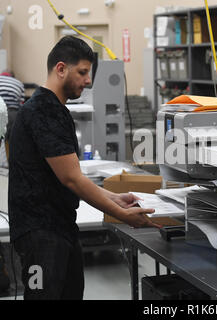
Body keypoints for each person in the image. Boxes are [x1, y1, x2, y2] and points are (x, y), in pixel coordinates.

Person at [8, 36, 161, 300]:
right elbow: (72, 179)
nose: (88, 81)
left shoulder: (55, 109)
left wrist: (115, 198)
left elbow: (71, 178)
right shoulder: (44, 110)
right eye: (82, 72)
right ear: (60, 69)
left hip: (60, 227)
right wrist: (121, 215)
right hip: (40, 235)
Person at [0, 70, 25, 160]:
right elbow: (21, 104)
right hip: (12, 113)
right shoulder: (19, 83)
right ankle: (11, 164)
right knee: (11, 140)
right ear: (12, 77)